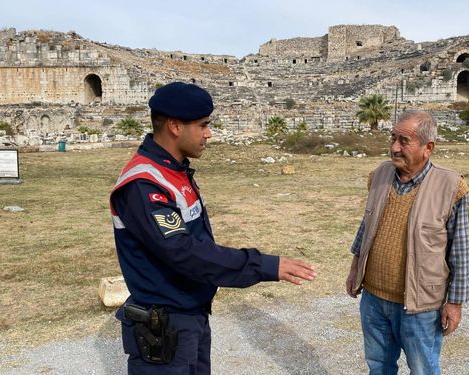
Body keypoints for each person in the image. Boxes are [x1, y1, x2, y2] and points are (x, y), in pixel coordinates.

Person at [110, 81, 317, 374]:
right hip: (164, 327)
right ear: (175, 126)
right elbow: (186, 253)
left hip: (187, 317)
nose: (209, 134)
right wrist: (263, 265)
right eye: (203, 125)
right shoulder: (144, 184)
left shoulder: (174, 171)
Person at [345, 110, 469, 375]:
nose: (394, 147)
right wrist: (355, 268)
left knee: (423, 369)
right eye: (393, 138)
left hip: (420, 306)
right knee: (378, 366)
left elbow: (459, 251)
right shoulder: (379, 175)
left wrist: (455, 303)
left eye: (404, 141)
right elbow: (366, 226)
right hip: (374, 299)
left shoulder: (451, 186)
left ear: (428, 148)